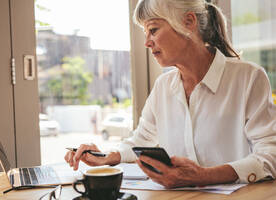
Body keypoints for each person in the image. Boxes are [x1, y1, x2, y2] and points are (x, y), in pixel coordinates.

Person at [65, 0, 276, 188]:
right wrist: (107, 157)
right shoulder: (163, 86)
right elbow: (141, 140)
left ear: (188, 22)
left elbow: (270, 155)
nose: (147, 42)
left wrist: (202, 176)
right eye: (145, 33)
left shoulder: (249, 77)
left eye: (153, 30)